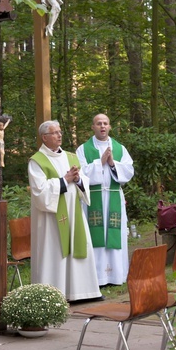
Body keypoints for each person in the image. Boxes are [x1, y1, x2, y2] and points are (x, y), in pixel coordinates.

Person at [28, 120, 102, 302]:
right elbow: (40, 191)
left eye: (60, 132)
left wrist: (77, 179)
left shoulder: (71, 157)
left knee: (77, 246)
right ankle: (53, 293)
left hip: (74, 212)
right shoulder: (37, 161)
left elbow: (83, 180)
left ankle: (83, 292)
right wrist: (64, 180)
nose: (60, 135)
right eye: (55, 133)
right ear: (44, 137)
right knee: (54, 250)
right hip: (51, 218)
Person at [76, 114, 134, 286]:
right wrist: (99, 162)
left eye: (105, 123)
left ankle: (117, 275)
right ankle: (97, 277)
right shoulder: (82, 149)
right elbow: (80, 174)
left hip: (114, 195)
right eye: (98, 123)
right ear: (93, 127)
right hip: (93, 198)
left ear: (109, 127)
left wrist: (112, 163)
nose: (102, 126)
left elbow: (129, 171)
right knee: (96, 236)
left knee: (115, 235)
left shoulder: (120, 148)